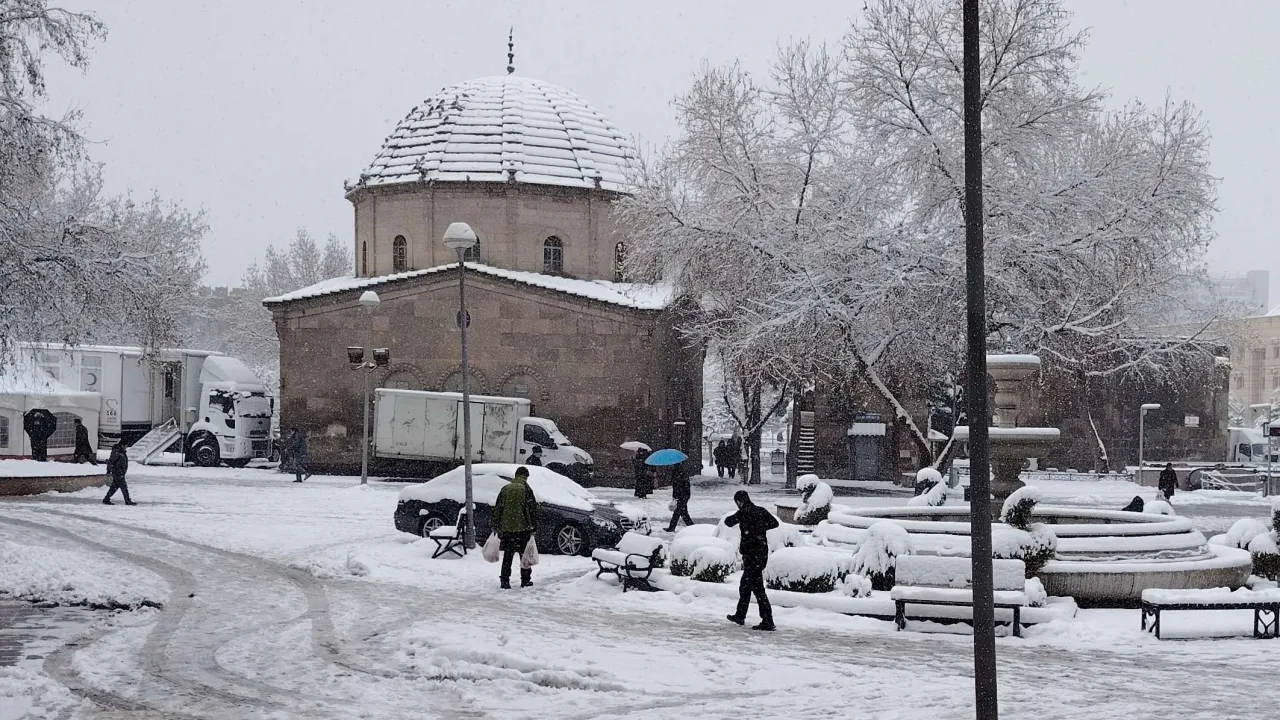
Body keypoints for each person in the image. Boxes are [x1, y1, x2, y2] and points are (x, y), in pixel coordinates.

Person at [723, 490, 778, 631]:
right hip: (761, 552)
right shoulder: (760, 511)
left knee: (758, 589)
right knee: (745, 586)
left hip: (751, 555)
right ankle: (740, 615)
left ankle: (767, 620)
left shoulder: (743, 512)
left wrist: (749, 528)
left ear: (739, 502)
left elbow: (728, 522)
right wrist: (760, 528)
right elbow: (774, 523)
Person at [493, 466, 539, 589]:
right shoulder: (526, 489)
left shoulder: (506, 488)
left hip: (507, 528)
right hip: (523, 528)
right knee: (524, 555)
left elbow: (498, 508)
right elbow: (532, 509)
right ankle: (525, 580)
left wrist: (496, 524)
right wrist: (533, 526)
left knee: (508, 555)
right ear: (526, 476)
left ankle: (505, 581)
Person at [103, 442, 136, 506]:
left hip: (120, 472)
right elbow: (111, 461)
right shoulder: (117, 452)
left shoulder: (121, 452)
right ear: (122, 445)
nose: (126, 447)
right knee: (123, 487)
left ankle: (106, 499)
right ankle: (127, 500)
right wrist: (109, 470)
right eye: (126, 445)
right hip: (117, 472)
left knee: (114, 487)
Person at [665, 461, 694, 532]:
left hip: (682, 495)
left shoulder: (678, 473)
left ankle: (692, 527)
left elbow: (679, 486)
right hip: (683, 495)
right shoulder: (678, 472)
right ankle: (671, 527)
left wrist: (676, 495)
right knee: (678, 512)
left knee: (683, 513)